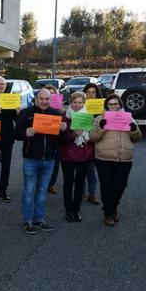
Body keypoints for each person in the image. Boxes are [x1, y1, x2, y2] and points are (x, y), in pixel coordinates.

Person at [14, 88, 66, 234]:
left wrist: (63, 129)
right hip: (31, 158)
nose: (44, 101)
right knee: (29, 190)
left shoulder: (56, 114)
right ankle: (28, 221)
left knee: (42, 191)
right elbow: (16, 134)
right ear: (36, 98)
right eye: (41, 98)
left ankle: (39, 219)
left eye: (47, 99)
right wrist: (25, 133)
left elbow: (61, 139)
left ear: (51, 100)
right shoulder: (26, 113)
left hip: (49, 159)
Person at [90, 93, 142, 227]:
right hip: (104, 158)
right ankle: (109, 213)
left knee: (120, 186)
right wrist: (101, 127)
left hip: (124, 158)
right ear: (106, 105)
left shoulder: (128, 117)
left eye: (116, 104)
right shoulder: (99, 118)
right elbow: (92, 138)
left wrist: (134, 130)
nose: (113, 106)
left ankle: (112, 207)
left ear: (120, 105)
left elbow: (137, 138)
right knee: (106, 186)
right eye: (110, 104)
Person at [58, 92, 95, 223]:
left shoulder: (90, 116)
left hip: (84, 155)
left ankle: (76, 209)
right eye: (74, 102)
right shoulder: (64, 117)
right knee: (68, 184)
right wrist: (73, 134)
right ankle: (68, 210)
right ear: (70, 102)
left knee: (80, 184)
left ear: (84, 103)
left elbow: (94, 137)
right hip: (68, 155)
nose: (77, 105)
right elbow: (60, 138)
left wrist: (89, 133)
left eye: (80, 102)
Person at [82, 82, 102, 205]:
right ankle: (82, 191)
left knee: (91, 170)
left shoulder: (101, 107)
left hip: (96, 142)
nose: (91, 95)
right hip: (82, 141)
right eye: (88, 92)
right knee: (82, 169)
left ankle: (92, 194)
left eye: (93, 92)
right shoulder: (80, 105)